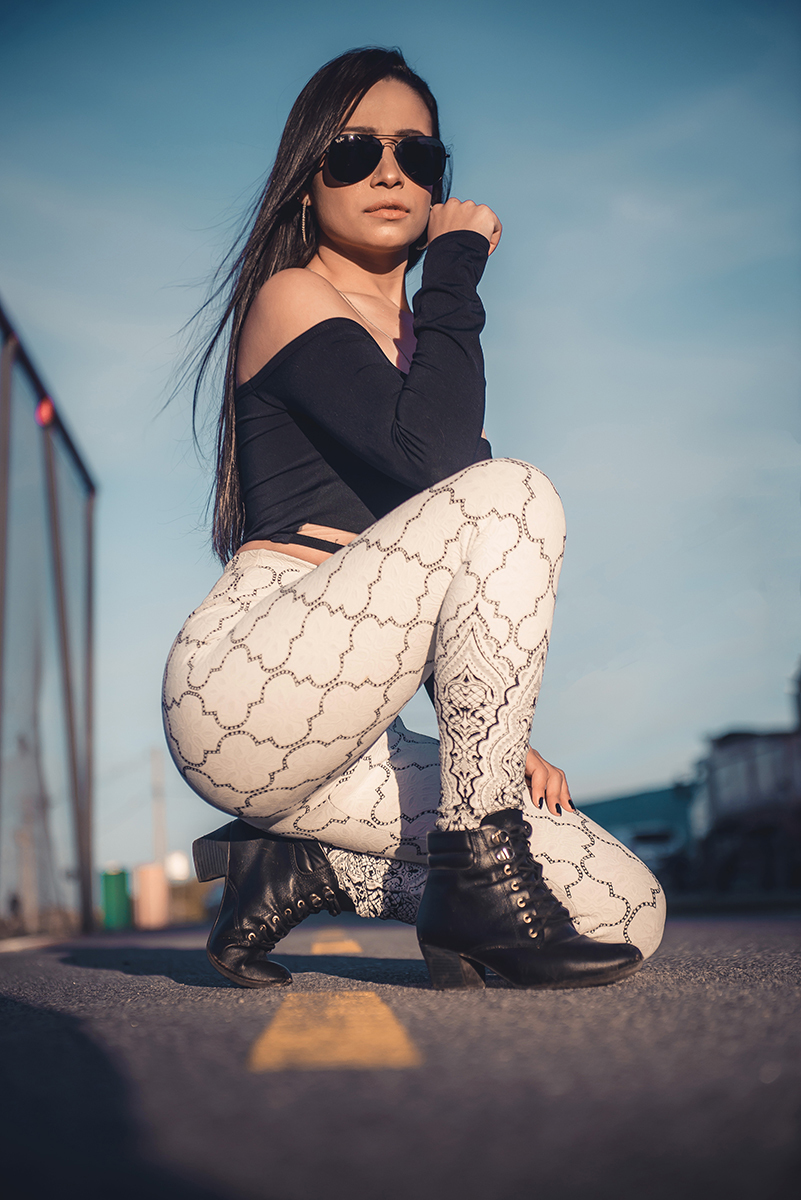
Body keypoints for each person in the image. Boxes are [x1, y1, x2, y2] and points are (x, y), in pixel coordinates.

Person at [163, 47, 665, 991]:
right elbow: (442, 468)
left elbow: (439, 578)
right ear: (307, 181)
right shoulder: (291, 296)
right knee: (509, 488)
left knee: (626, 909)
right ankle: (476, 870)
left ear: (438, 178)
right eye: (353, 152)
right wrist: (458, 265)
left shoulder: (426, 348)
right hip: (245, 686)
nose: (389, 172)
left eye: (417, 155)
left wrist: (495, 741)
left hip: (348, 733)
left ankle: (306, 866)